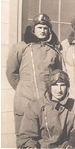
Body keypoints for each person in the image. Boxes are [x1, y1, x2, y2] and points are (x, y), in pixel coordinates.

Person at [6, 13, 62, 145]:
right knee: (25, 138)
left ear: (49, 30)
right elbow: (11, 72)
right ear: (33, 29)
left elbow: (57, 75)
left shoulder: (53, 51)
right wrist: (22, 88)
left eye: (45, 28)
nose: (42, 30)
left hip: (45, 100)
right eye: (39, 27)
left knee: (45, 136)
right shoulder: (21, 47)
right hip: (24, 100)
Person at [18, 69, 75, 148]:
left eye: (62, 85)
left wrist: (73, 142)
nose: (59, 90)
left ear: (67, 87)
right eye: (55, 85)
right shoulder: (35, 107)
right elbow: (27, 137)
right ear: (49, 86)